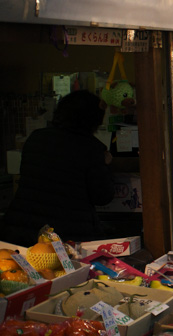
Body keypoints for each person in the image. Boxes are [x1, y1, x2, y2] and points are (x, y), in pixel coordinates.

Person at [3, 90, 115, 245]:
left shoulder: (36, 138)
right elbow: (102, 196)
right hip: (66, 234)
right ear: (94, 119)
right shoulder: (91, 148)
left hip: (21, 228)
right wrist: (106, 165)